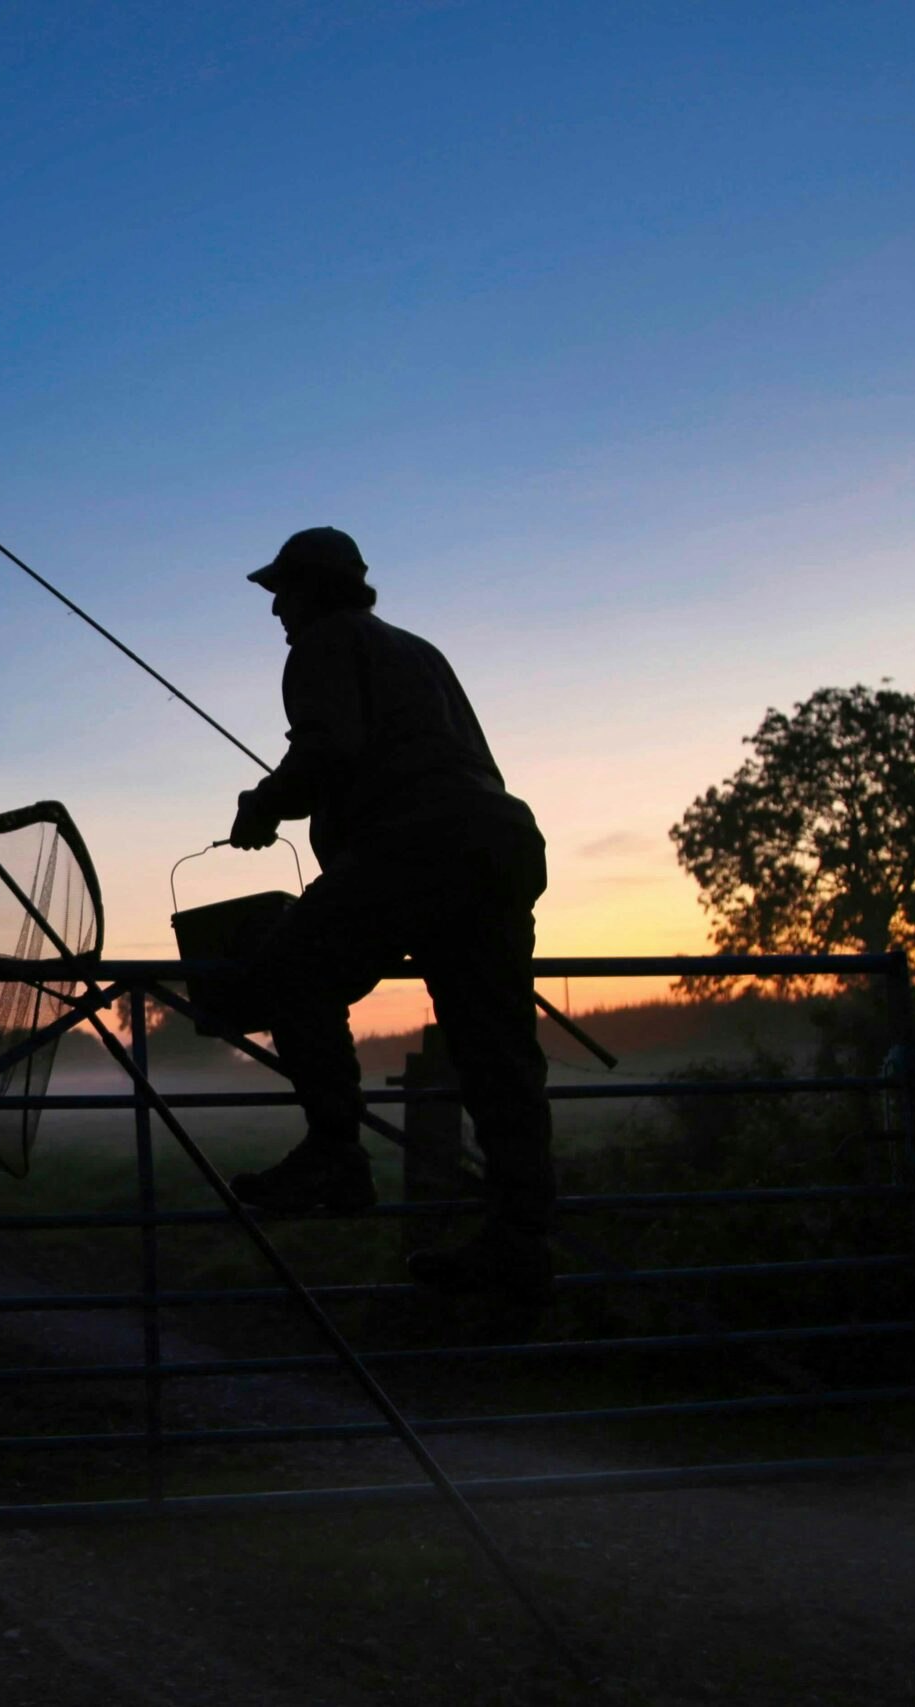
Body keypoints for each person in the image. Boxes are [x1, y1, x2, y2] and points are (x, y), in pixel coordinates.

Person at [222, 526, 556, 1305]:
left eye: (281, 592)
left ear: (312, 590)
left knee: (288, 968)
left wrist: (263, 805)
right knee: (499, 1056)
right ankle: (521, 1240)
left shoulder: (321, 645)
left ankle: (336, 1154)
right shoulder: (418, 650)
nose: (275, 609)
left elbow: (329, 750)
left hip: (418, 846)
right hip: (500, 844)